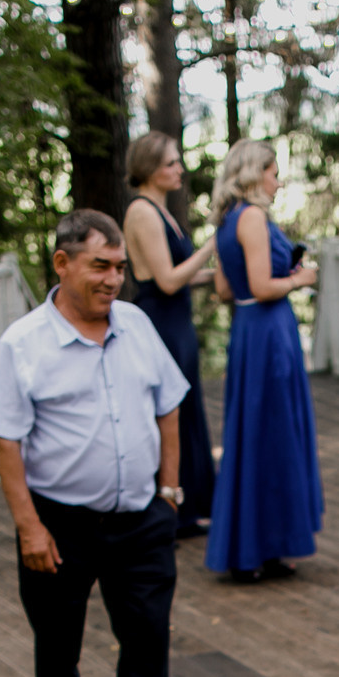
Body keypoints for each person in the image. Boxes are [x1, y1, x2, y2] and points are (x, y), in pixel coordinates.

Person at [0, 210, 203, 677]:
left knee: (148, 643)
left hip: (142, 520)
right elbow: (5, 440)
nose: (112, 280)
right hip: (60, 526)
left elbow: (169, 403)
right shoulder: (23, 345)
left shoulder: (135, 324)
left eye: (121, 267)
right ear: (62, 263)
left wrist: (170, 492)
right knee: (57, 649)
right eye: (99, 266)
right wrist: (29, 528)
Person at [207, 138, 326, 585]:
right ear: (255, 173)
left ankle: (262, 545)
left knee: (255, 433)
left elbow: (224, 291)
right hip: (270, 331)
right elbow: (260, 286)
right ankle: (260, 547)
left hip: (247, 331)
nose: (279, 181)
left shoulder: (226, 220)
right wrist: (299, 278)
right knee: (272, 433)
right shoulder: (253, 217)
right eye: (274, 172)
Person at [123, 132, 220, 539]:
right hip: (160, 321)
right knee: (170, 411)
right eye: (170, 164)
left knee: (188, 408)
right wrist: (213, 244)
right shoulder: (142, 213)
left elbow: (183, 278)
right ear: (148, 169)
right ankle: (170, 506)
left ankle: (191, 506)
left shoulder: (162, 211)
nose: (179, 169)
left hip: (177, 319)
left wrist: (219, 275)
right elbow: (165, 280)